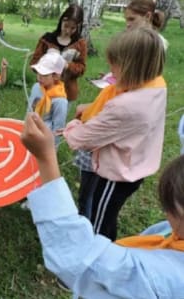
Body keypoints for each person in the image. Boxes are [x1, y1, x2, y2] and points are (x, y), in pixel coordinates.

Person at [21, 112, 184, 299]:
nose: (165, 211)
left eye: (170, 207)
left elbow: (80, 260)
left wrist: (45, 157)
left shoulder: (157, 278)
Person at [62, 27, 167, 242]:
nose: (110, 68)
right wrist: (94, 106)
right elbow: (123, 115)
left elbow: (80, 138)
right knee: (108, 215)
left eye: (115, 63)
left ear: (132, 67)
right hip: (136, 166)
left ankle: (97, 264)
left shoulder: (126, 107)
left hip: (116, 176)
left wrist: (72, 125)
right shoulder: (157, 84)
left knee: (98, 225)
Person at [90, 0, 167, 89]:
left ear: (147, 16)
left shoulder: (154, 44)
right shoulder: (135, 40)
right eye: (126, 20)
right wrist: (111, 76)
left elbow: (141, 76)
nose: (127, 24)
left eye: (132, 19)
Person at [30, 4, 86, 102]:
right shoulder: (46, 40)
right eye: (66, 26)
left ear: (78, 27)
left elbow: (81, 68)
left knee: (58, 116)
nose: (68, 31)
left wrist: (67, 66)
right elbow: (34, 63)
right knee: (37, 115)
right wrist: (46, 66)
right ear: (61, 20)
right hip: (44, 90)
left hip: (66, 93)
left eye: (73, 28)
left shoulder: (80, 44)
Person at [28, 51, 67, 147]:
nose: (39, 78)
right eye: (38, 73)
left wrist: (52, 147)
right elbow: (30, 108)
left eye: (44, 75)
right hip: (31, 131)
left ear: (56, 76)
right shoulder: (36, 87)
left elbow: (58, 127)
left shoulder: (60, 100)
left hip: (44, 139)